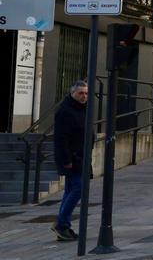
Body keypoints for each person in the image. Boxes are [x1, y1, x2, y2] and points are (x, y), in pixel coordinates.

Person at [52, 81, 89, 242]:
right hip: (72, 158)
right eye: (81, 93)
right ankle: (62, 224)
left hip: (80, 156)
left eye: (86, 93)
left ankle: (63, 226)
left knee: (70, 190)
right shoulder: (66, 111)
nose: (84, 96)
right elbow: (61, 138)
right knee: (78, 189)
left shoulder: (82, 109)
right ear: (73, 93)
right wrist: (66, 159)